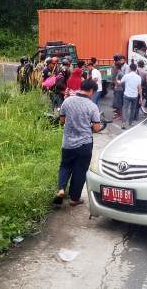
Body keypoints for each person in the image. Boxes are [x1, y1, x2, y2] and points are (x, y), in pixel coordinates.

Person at [54, 79, 103, 207]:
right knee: (80, 171)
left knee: (65, 166)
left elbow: (62, 121)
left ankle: (61, 189)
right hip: (84, 144)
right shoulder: (92, 106)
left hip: (68, 143)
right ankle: (74, 199)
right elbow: (97, 128)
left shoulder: (68, 101)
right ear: (91, 91)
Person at [121, 63, 143, 129]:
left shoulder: (126, 76)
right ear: (136, 69)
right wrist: (141, 97)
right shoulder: (138, 77)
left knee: (125, 109)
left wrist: (117, 81)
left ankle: (123, 123)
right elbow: (139, 88)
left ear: (130, 68)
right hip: (134, 95)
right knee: (133, 109)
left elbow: (121, 82)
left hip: (127, 94)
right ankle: (131, 122)